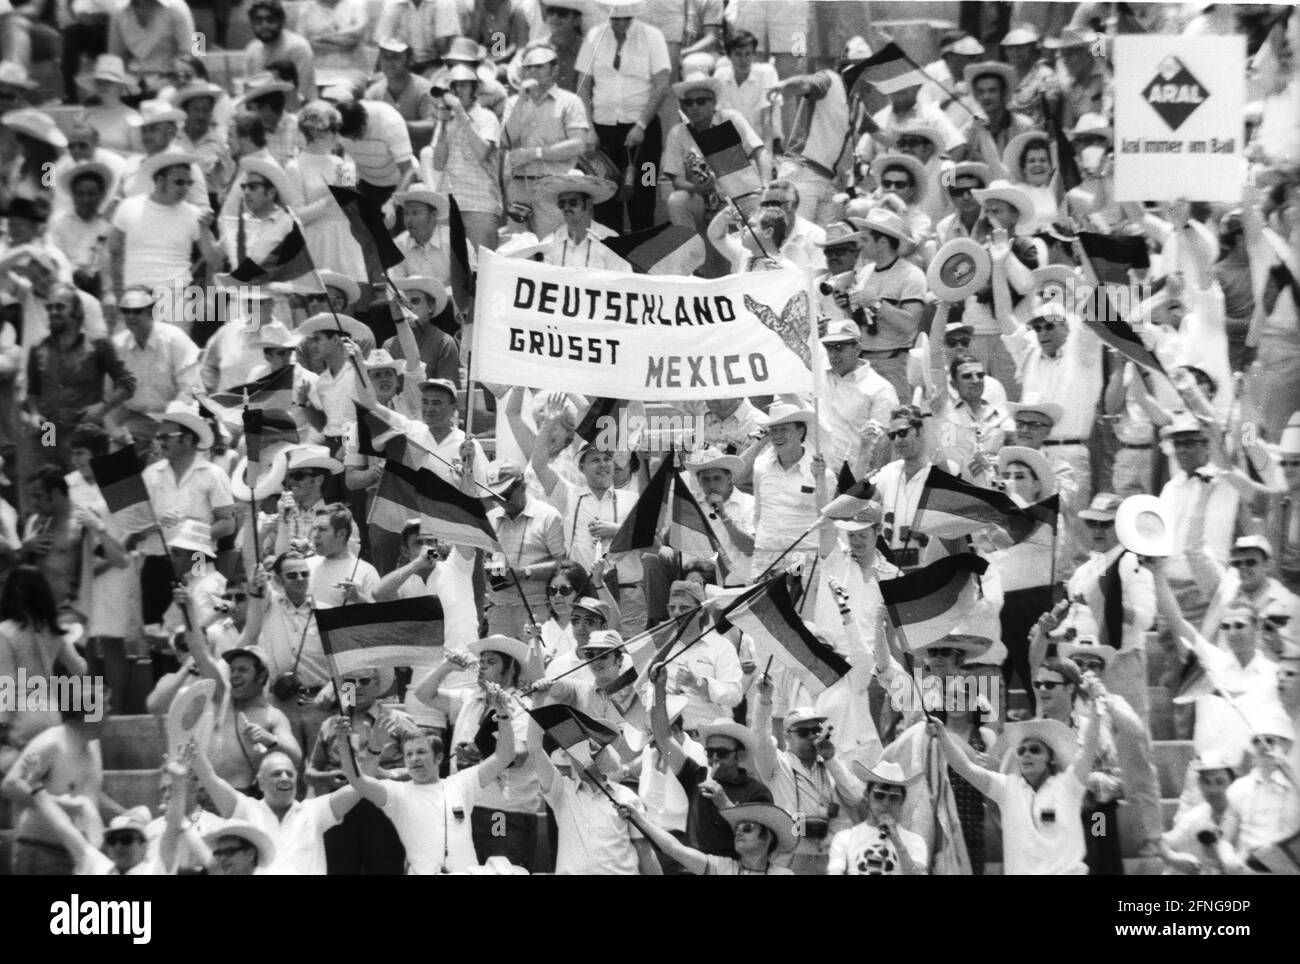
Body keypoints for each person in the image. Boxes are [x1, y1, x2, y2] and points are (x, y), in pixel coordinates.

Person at [337, 682, 518, 874]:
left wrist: (503, 716)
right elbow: (358, 780)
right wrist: (353, 743)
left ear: (439, 758)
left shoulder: (461, 783)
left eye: (421, 752)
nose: (414, 759)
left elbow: (503, 757)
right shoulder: (397, 793)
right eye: (409, 754)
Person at [415, 636, 540, 869]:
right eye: (481, 661)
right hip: (463, 809)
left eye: (491, 662)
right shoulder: (469, 699)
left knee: (501, 868)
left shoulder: (523, 707)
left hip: (503, 813)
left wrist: (479, 755)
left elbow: (519, 754)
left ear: (511, 668)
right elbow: (424, 695)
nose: (481, 666)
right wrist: (447, 667)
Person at [931, 713, 1099, 875]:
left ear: (1051, 758)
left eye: (1035, 750)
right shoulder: (1007, 788)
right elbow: (965, 767)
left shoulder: (1069, 784)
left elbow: (1090, 746)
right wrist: (943, 736)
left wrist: (1097, 711)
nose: (1026, 754)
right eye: (1021, 751)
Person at [190, 723, 362, 875]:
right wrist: (189, 742)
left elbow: (360, 786)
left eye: (289, 774)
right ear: (260, 782)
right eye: (276, 774)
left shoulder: (315, 811)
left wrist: (373, 751)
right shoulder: (246, 809)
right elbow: (210, 779)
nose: (285, 778)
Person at [648, 659, 772, 857]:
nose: (714, 758)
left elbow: (760, 844)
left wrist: (724, 803)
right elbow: (663, 737)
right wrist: (659, 688)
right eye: (709, 752)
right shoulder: (696, 776)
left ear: (739, 755)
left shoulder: (756, 792)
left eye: (722, 753)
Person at [576, 5, 670, 232]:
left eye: (625, 19)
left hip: (644, 133)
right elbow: (582, 85)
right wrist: (589, 128)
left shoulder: (653, 36)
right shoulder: (593, 36)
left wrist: (640, 125)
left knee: (644, 195)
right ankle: (610, 259)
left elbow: (661, 86)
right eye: (615, 19)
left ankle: (642, 260)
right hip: (602, 130)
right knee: (604, 200)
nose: (620, 23)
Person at [749, 695, 864, 875]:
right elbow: (760, 738)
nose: (812, 736)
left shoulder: (832, 763)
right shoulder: (776, 764)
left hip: (833, 859)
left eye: (816, 730)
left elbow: (856, 798)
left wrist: (830, 759)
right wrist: (764, 701)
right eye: (804, 732)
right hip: (792, 858)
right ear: (787, 736)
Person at [24, 283, 134, 467]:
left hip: (83, 431)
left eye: (59, 306)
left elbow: (127, 383)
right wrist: (34, 413)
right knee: (53, 478)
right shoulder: (38, 349)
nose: (52, 312)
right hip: (49, 431)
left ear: (76, 310)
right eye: (49, 307)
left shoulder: (98, 345)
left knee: (91, 484)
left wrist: (103, 407)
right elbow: (32, 391)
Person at [501, 42, 590, 240]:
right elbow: (506, 140)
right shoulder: (513, 103)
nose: (532, 71)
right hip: (519, 188)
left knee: (552, 248)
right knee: (519, 252)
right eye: (528, 67)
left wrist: (536, 153)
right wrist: (521, 101)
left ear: (554, 69)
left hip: (553, 188)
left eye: (539, 66)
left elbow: (578, 144)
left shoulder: (569, 101)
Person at [286, 100, 368, 282]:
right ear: (315, 131)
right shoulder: (295, 167)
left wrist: (353, 192)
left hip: (344, 240)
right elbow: (297, 216)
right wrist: (331, 197)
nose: (337, 136)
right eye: (333, 130)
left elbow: (353, 211)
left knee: (348, 297)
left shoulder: (343, 164)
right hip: (316, 242)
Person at [422, 65, 501, 252]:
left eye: (464, 86)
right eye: (454, 86)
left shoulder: (486, 117)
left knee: (482, 267)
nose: (458, 91)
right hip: (450, 201)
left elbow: (482, 151)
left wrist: (460, 113)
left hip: (479, 203)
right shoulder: (446, 119)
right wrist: (442, 125)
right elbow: (438, 164)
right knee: (453, 267)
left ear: (475, 89)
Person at [484, 461, 565, 638]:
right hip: (500, 609)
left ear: (523, 486)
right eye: (495, 496)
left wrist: (523, 572)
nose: (502, 501)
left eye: (506, 494)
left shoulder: (548, 516)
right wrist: (496, 571)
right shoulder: (490, 519)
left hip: (536, 609)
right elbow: (492, 564)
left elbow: (562, 564)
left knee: (535, 662)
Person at [620, 799, 797, 875]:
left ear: (767, 839)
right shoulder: (721, 867)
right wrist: (638, 818)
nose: (739, 832)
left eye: (748, 828)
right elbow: (673, 849)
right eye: (737, 829)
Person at [827, 760, 928, 875]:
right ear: (867, 795)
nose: (886, 803)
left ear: (902, 800)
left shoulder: (914, 841)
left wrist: (897, 841)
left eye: (894, 798)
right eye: (879, 795)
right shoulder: (845, 838)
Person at [1159, 752, 1244, 875]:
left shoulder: (1245, 815)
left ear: (1232, 782)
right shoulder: (1193, 818)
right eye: (1206, 782)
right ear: (1199, 784)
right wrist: (1173, 858)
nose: (1213, 789)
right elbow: (1163, 843)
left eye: (1219, 781)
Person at [533, 170, 629, 270]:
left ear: (588, 204)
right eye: (562, 204)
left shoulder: (610, 239)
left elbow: (622, 279)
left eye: (573, 202)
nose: (566, 208)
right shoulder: (551, 241)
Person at [244, 0, 316, 104]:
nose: (264, 26)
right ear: (252, 24)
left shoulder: (298, 47)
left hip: (301, 111)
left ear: (282, 22)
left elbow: (303, 93)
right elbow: (248, 92)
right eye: (258, 21)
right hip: (265, 114)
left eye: (270, 20)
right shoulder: (252, 49)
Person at [309, 503, 379, 608]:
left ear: (341, 534)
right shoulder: (304, 566)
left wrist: (359, 599)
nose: (315, 535)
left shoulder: (366, 571)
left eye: (322, 529)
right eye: (314, 529)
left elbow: (381, 617)